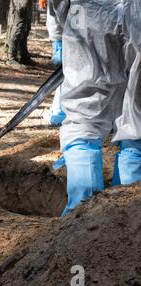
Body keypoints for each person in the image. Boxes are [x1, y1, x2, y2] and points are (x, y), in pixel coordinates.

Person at [49, 0, 141, 216]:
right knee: (137, 119)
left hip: (91, 14)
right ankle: (130, 213)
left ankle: (82, 215)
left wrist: (63, 28)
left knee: (84, 117)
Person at [40, 0, 66, 126]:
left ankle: (58, 113)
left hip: (64, 37)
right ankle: (58, 113)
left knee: (65, 76)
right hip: (63, 38)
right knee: (64, 76)